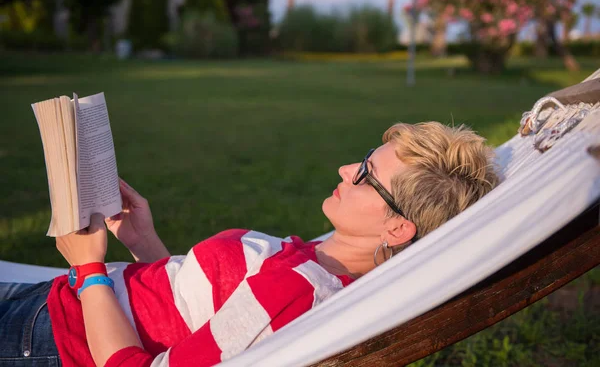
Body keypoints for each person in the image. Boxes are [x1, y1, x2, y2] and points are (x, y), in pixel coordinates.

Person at [0, 122, 499, 367]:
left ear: (397, 229)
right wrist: (146, 243)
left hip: (53, 336)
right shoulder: (320, 263)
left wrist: (88, 268)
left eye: (368, 176)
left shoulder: (299, 291)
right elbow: (201, 326)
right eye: (364, 158)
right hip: (60, 307)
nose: (348, 170)